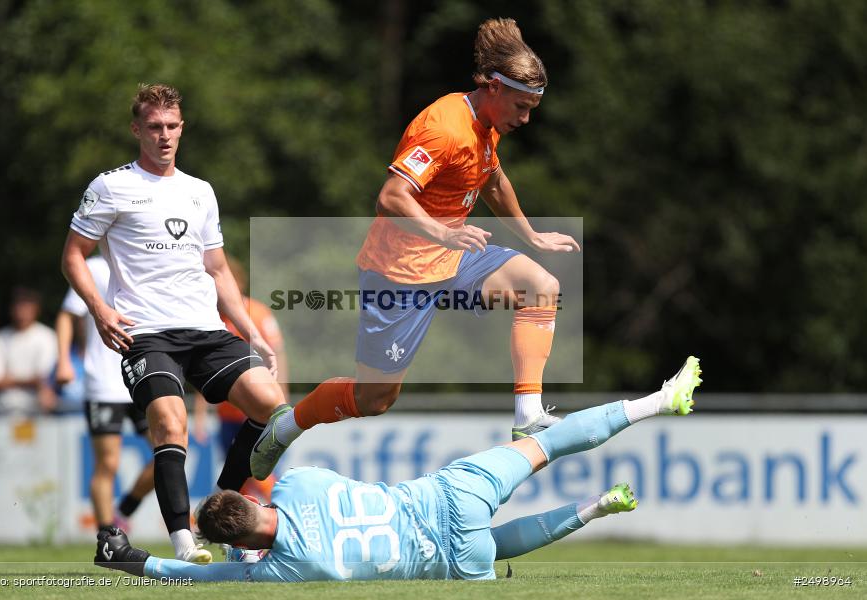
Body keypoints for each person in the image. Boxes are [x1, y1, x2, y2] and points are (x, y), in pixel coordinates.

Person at [251, 17, 580, 481]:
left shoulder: (488, 126)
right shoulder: (443, 127)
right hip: (399, 272)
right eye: (520, 106)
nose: (525, 118)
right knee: (374, 399)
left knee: (540, 286)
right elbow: (391, 196)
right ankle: (286, 426)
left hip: (453, 259)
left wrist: (531, 236)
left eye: (532, 108)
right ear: (492, 87)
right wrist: (444, 233)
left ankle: (527, 414)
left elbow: (493, 179)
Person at [95, 357, 700, 582]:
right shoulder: (304, 483)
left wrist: (134, 561)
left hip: (446, 554)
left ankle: (593, 510)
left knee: (500, 549)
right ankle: (657, 401)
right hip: (444, 492)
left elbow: (201, 581)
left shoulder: (288, 572)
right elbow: (262, 504)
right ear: (256, 502)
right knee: (552, 441)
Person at [61, 84, 286, 564]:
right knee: (171, 422)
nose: (164, 135)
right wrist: (100, 310)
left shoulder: (199, 191)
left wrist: (251, 330)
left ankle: (220, 509)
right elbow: (72, 257)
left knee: (272, 406)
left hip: (205, 328)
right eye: (155, 126)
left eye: (172, 126)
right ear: (137, 129)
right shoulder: (110, 186)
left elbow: (219, 269)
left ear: (182, 128)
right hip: (146, 333)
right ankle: (184, 542)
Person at [56, 254, 156, 535]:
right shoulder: (95, 268)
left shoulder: (146, 261)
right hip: (104, 382)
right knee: (108, 463)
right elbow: (68, 314)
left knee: (169, 454)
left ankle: (124, 510)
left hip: (143, 375)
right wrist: (63, 359)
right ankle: (107, 538)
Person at [194, 254, 289, 502]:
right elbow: (205, 369)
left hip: (259, 409)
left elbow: (278, 354)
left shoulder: (257, 312)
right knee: (236, 473)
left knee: (260, 470)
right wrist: (201, 414)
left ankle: (281, 512)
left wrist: (282, 395)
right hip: (228, 413)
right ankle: (242, 531)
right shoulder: (213, 319)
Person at [0, 287, 58, 416]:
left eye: (27, 307)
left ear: (36, 309)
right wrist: (30, 381)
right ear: (11, 309)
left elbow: (45, 378)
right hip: (3, 412)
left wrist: (8, 379)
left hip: (37, 413)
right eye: (19, 306)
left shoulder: (47, 337)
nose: (22, 312)